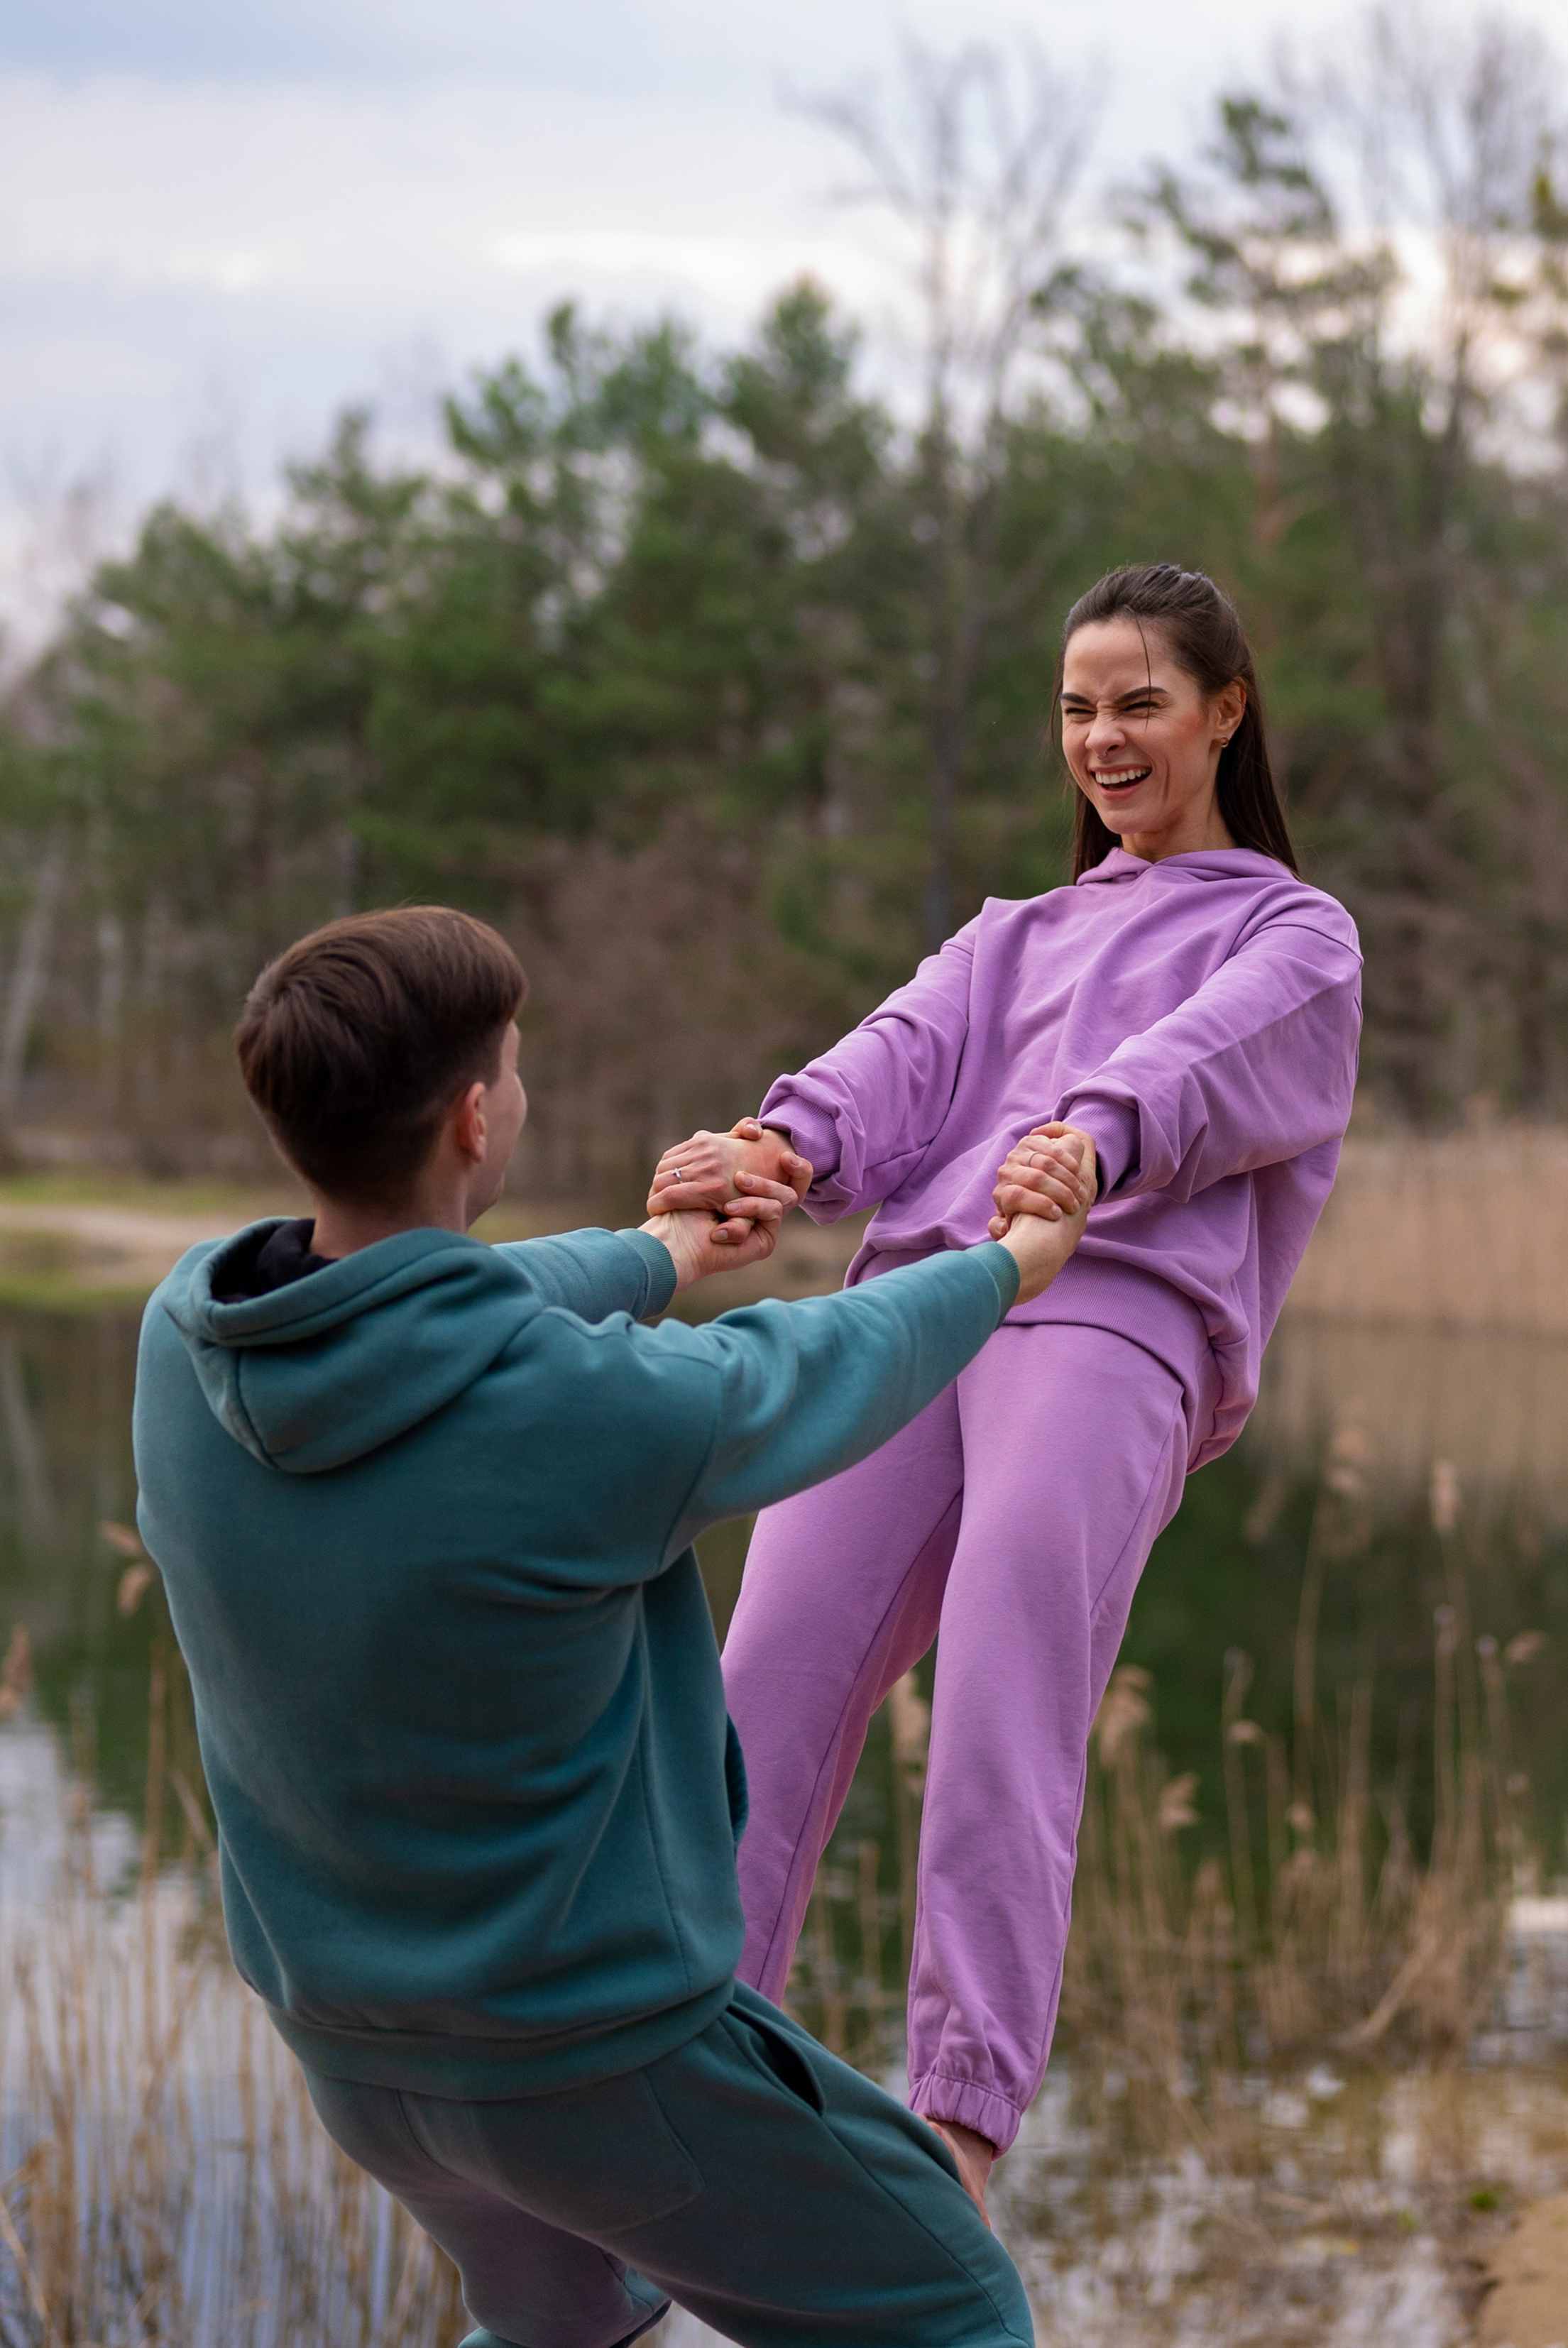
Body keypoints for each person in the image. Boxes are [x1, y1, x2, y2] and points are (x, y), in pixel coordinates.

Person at [131, 904, 1092, 2348]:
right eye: (513, 1068)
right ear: (474, 1118)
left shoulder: (188, 1339)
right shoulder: (589, 1413)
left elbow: (443, 1303)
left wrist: (657, 1253)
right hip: (597, 2059)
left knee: (574, 2327)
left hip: (354, 2056)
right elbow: (817, 1357)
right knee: (954, 2305)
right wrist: (1011, 1261)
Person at [647, 562, 1364, 2215]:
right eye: (1076, 708)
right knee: (761, 1671)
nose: (1101, 738)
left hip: (1112, 1311)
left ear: (1224, 713)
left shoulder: (1293, 929)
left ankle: (958, 2119)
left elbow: (1208, 1054)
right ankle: (684, 2055)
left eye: (1139, 704)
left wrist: (1089, 1139)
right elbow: (893, 1058)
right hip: (914, 1310)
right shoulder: (1012, 932)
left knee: (1001, 1686)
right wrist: (771, 1148)